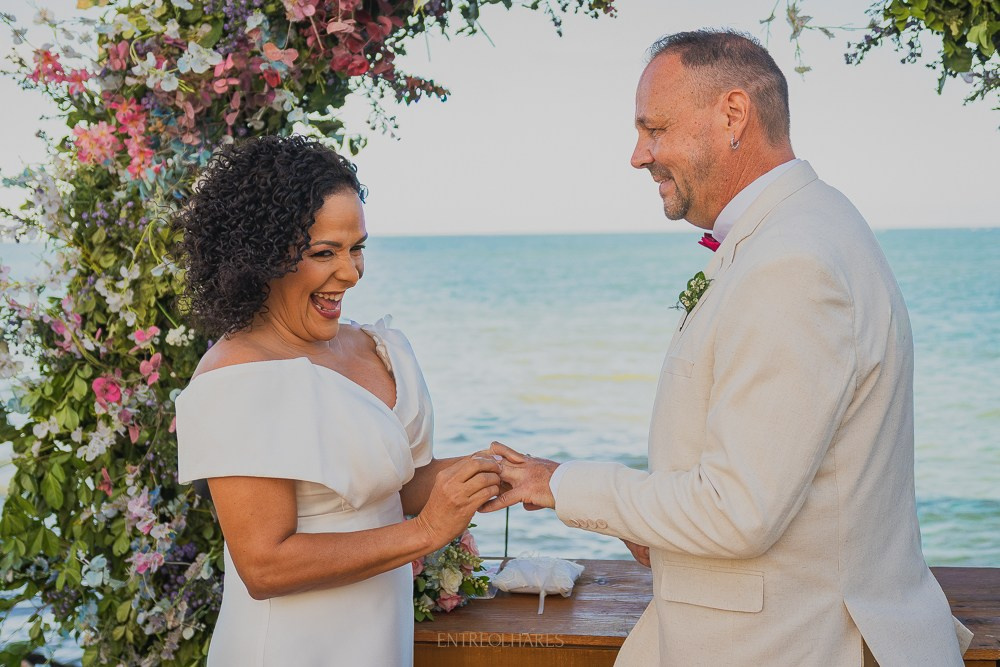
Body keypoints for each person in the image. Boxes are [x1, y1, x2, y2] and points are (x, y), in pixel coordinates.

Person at [483, 30, 973, 666]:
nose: (638, 155)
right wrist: (642, 523)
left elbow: (740, 510)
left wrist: (561, 485)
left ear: (734, 115)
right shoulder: (804, 227)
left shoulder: (792, 260)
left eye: (655, 129)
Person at [172, 135, 501, 666]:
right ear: (262, 258)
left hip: (378, 636)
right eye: (324, 253)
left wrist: (490, 471)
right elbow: (265, 565)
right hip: (289, 646)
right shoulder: (237, 378)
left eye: (357, 248)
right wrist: (424, 533)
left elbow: (393, 485)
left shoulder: (378, 348)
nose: (351, 272)